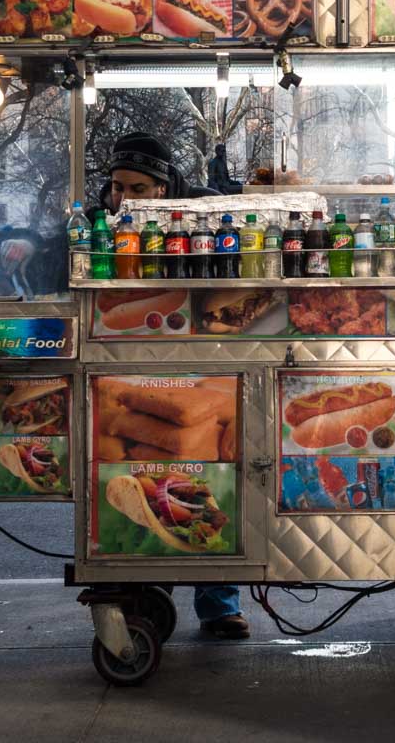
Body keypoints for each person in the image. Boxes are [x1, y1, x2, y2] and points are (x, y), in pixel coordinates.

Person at [100, 133, 248, 639]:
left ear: (162, 187)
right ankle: (146, 595)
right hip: (129, 359)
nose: (124, 197)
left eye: (137, 187)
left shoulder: (206, 211)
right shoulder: (101, 223)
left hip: (205, 356)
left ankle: (219, 604)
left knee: (210, 472)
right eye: (117, 187)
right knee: (143, 475)